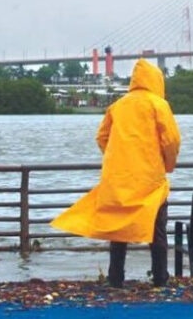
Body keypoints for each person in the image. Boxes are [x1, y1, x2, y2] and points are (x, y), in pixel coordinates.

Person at [50, 58, 181, 288]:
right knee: (157, 229)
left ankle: (116, 278)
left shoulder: (118, 106)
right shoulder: (159, 105)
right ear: (156, 81)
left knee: (118, 229)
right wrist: (167, 165)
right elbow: (171, 140)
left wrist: (118, 156)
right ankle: (160, 278)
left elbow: (102, 137)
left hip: (119, 178)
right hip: (150, 179)